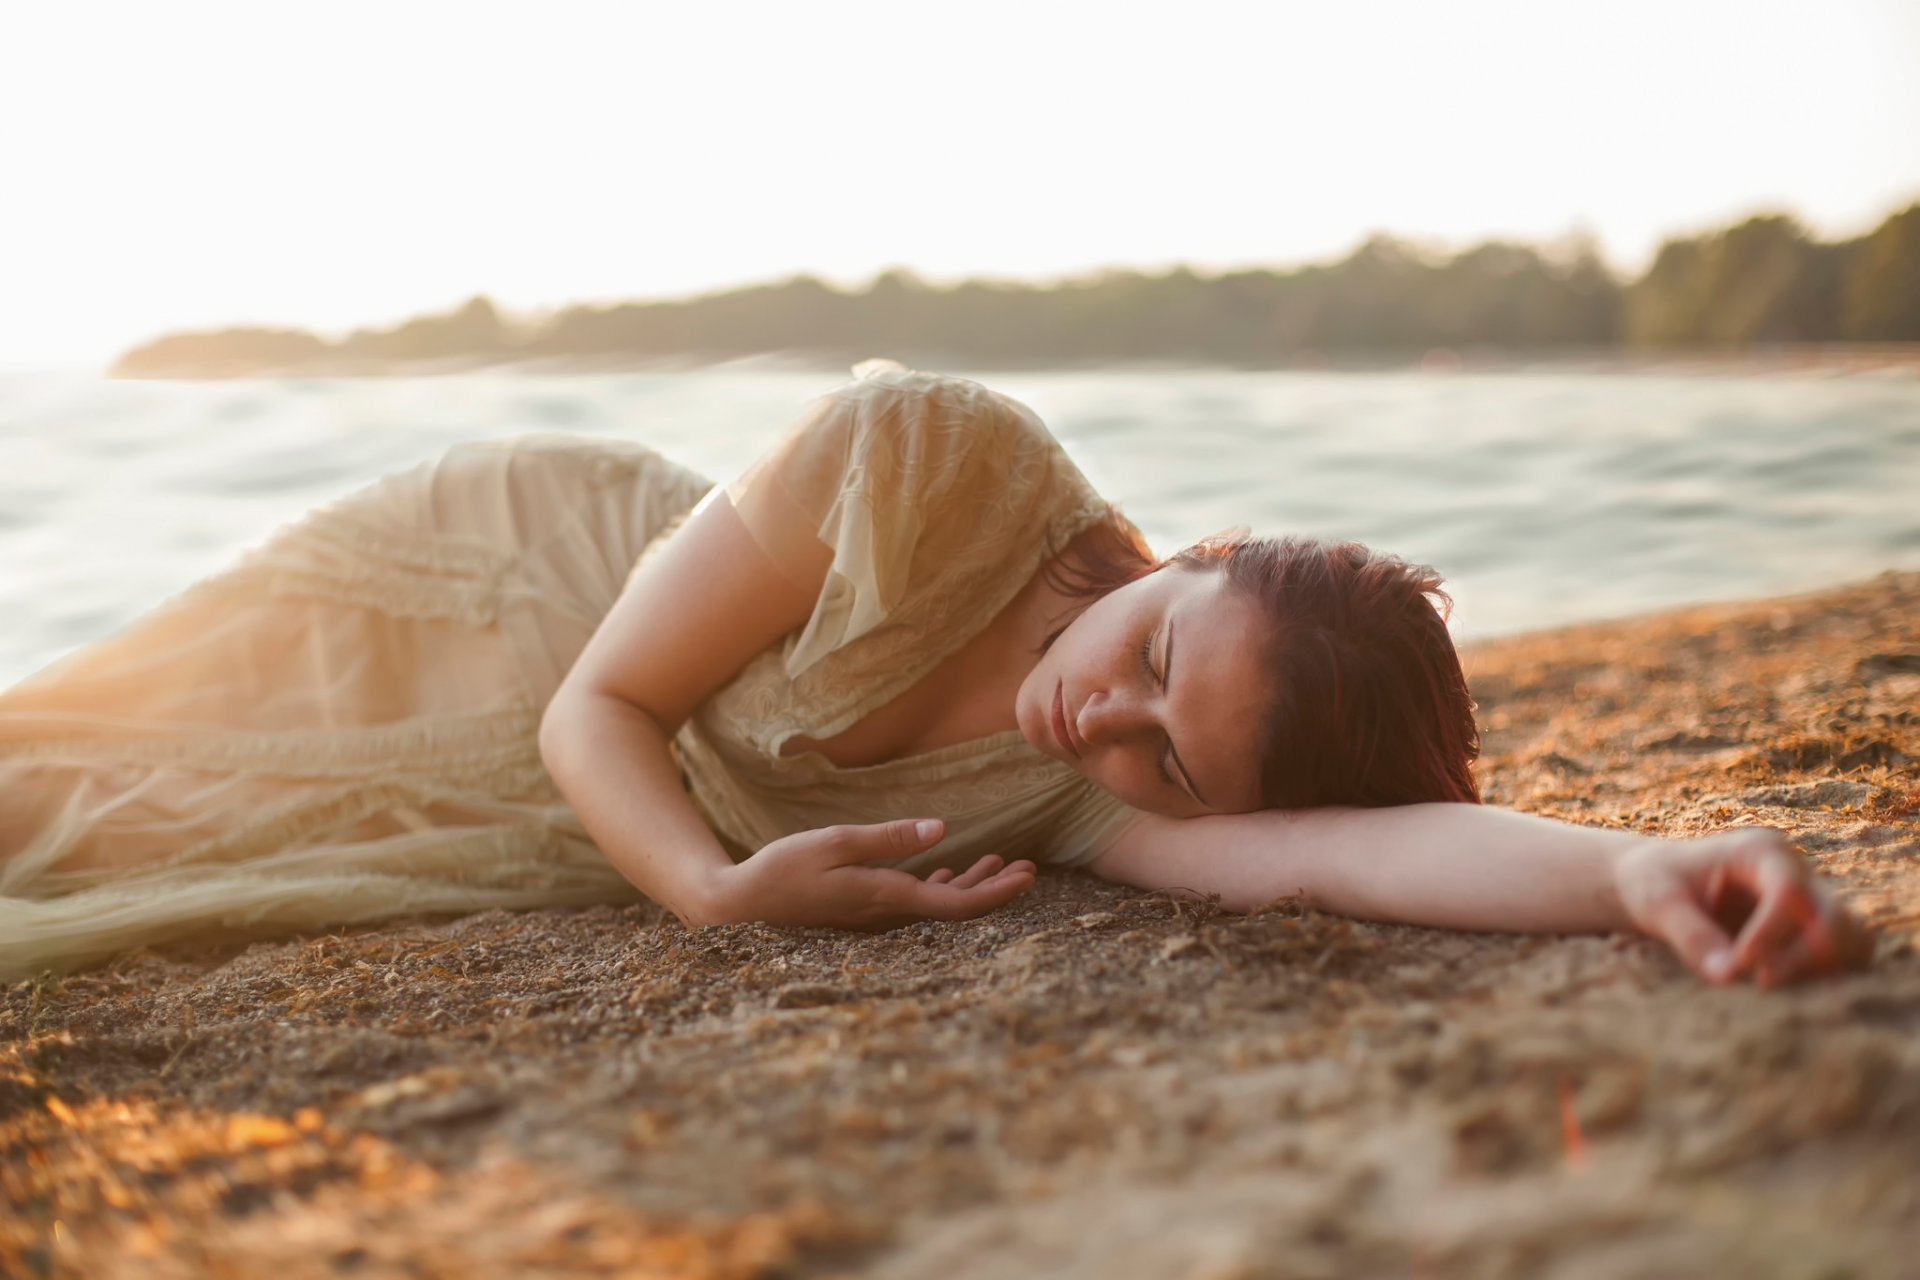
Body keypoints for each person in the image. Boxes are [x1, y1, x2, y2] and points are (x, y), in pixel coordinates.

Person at [0, 361, 1873, 986]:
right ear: (1194, 553)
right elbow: (603, 707)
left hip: (591, 748)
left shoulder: (1101, 798)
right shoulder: (927, 452)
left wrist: (1633, 874)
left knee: (117, 844)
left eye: (1173, 766)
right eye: (1154, 656)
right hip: (515, 588)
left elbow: (1366, 858)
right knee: (82, 751)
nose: (1099, 721)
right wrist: (719, 894)